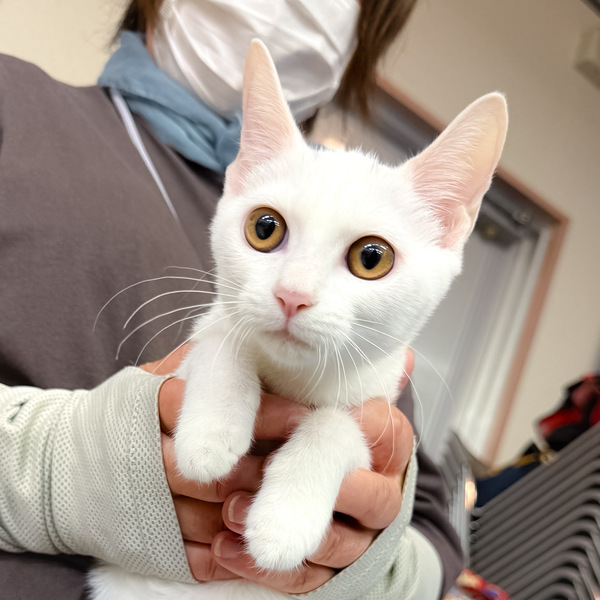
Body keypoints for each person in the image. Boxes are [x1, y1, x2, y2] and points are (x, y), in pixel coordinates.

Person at [0, 1, 463, 598]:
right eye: (267, 230)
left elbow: (434, 537)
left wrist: (368, 567)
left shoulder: (373, 297)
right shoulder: (15, 106)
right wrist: (48, 467)